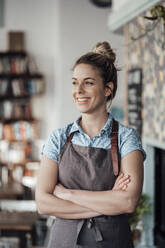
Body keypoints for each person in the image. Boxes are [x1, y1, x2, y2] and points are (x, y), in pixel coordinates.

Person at [35, 41, 146, 248]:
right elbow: (43, 203)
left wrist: (68, 195)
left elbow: (128, 202)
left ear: (107, 89)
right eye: (75, 82)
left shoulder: (127, 138)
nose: (78, 90)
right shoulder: (58, 138)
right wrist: (109, 201)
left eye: (88, 83)